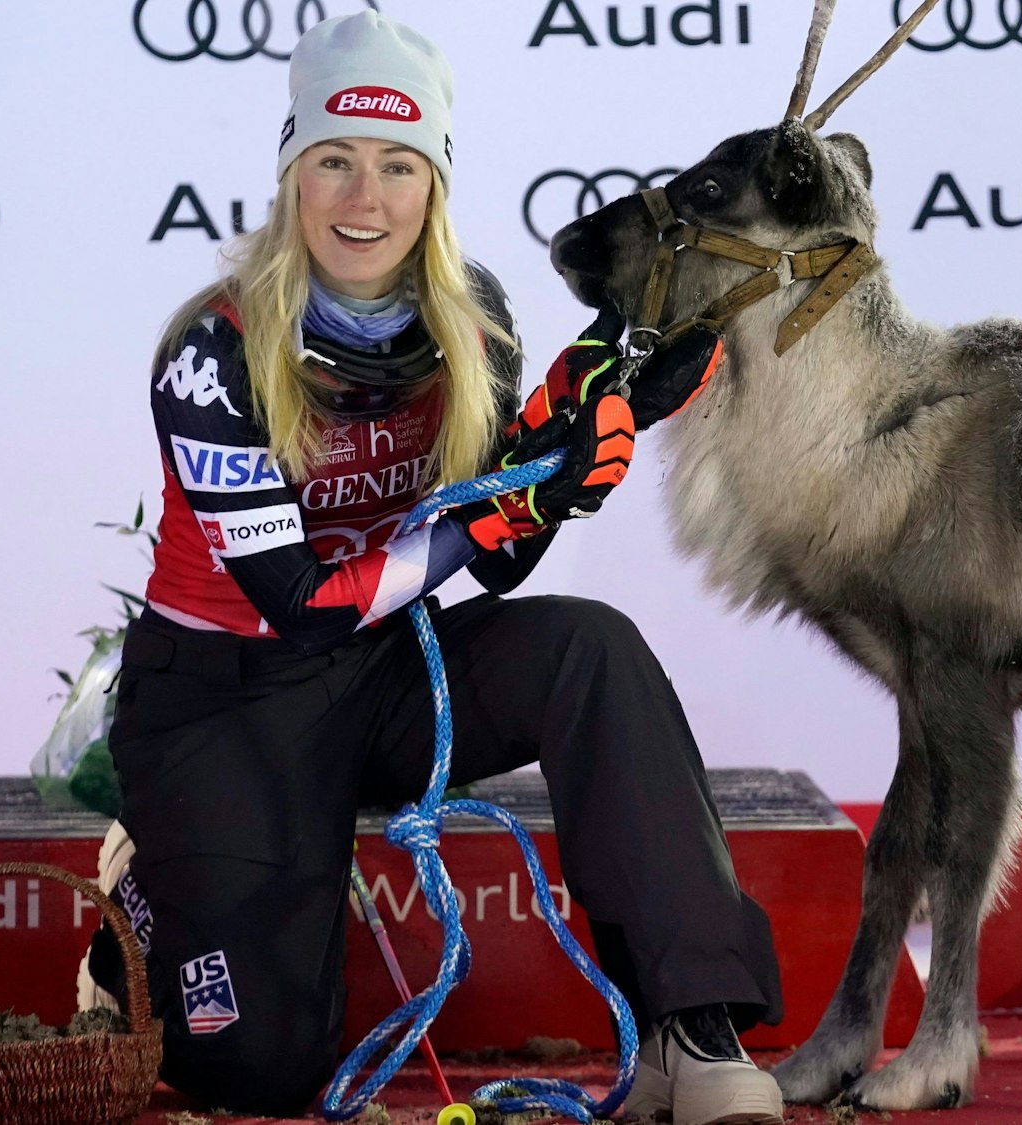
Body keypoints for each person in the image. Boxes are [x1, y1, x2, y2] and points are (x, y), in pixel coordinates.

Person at [76, 13, 782, 1124]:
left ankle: (687, 1030)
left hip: (383, 673)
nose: (366, 198)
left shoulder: (473, 318)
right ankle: (153, 899)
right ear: (292, 175)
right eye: (336, 162)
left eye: (398, 166)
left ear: (434, 183)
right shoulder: (212, 350)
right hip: (223, 702)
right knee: (257, 1071)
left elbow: (498, 571)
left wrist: (574, 440)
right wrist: (520, 492)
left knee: (587, 647)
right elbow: (302, 606)